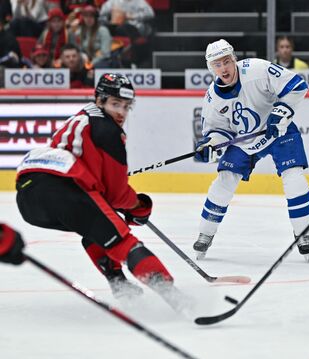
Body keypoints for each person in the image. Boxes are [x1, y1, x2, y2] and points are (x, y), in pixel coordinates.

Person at [15, 73, 188, 311]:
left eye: (126, 107)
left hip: (27, 199)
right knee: (125, 242)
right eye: (115, 104)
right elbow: (116, 196)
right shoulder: (108, 130)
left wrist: (118, 204)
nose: (121, 112)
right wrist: (138, 206)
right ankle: (178, 300)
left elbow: (95, 189)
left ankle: (121, 286)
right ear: (99, 101)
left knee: (95, 229)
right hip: (62, 190)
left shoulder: (79, 120)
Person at [193, 39, 309, 262]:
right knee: (224, 180)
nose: (223, 68)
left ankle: (303, 234)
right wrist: (210, 145)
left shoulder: (257, 69)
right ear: (211, 68)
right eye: (217, 65)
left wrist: (282, 110)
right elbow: (218, 132)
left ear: (234, 59)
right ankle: (205, 233)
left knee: (294, 178)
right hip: (244, 140)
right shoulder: (213, 99)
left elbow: (298, 85)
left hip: (278, 131)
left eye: (226, 62)